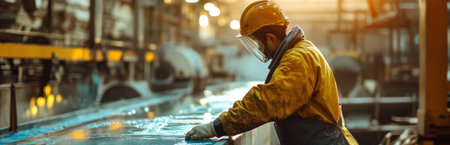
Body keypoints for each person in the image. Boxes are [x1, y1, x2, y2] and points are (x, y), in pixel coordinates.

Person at [185, 0, 358, 144]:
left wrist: (216, 127)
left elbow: (266, 102)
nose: (260, 49)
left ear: (270, 38)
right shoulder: (302, 50)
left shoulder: (296, 60)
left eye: (258, 44)